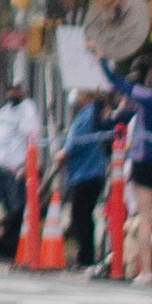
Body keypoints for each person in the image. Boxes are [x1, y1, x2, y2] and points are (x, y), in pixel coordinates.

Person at [101, 47, 152, 281]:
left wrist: (102, 59)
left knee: (146, 217)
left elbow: (117, 83)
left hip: (146, 160)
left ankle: (147, 271)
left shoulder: (148, 97)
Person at [0, 83, 41, 255]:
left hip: (15, 168)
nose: (12, 92)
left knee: (16, 207)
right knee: (6, 209)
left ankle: (14, 245)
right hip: (0, 167)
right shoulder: (5, 110)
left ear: (23, 92)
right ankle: (7, 243)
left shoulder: (28, 110)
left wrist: (26, 166)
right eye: (10, 89)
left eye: (16, 89)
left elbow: (32, 136)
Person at [61, 87, 115, 273]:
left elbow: (77, 141)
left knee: (81, 217)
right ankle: (86, 256)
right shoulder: (92, 113)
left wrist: (64, 153)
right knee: (82, 217)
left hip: (86, 173)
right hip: (87, 172)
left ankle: (86, 257)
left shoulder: (89, 114)